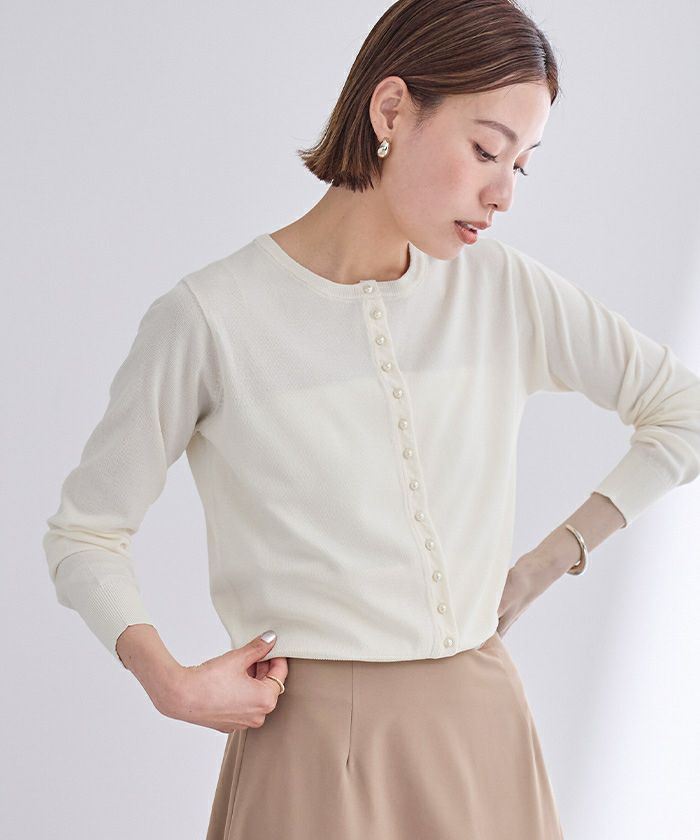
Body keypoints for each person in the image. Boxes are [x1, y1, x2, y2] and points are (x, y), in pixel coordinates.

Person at [42, 1, 700, 838]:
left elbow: (683, 412)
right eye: (486, 150)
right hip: (312, 747)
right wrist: (168, 680)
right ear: (390, 110)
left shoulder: (503, 290)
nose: (502, 194)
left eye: (521, 165)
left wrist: (546, 562)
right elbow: (86, 532)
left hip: (484, 730)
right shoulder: (212, 318)